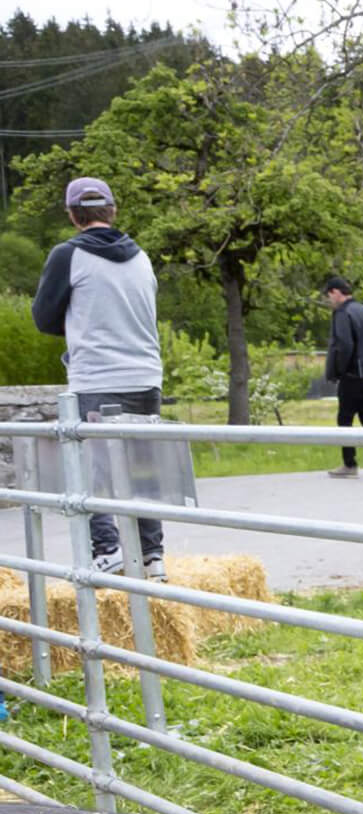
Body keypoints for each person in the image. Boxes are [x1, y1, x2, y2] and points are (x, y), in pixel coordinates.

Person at [31, 176, 167, 580]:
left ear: (73, 215)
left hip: (97, 376)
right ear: (113, 210)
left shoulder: (67, 255)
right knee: (145, 469)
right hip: (146, 375)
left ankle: (107, 550)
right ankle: (151, 555)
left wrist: (77, 324)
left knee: (93, 469)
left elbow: (43, 317)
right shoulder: (141, 256)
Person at [323, 275, 363, 479]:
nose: (329, 300)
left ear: (336, 292)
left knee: (344, 419)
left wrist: (338, 371)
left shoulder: (342, 313)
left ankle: (349, 464)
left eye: (329, 295)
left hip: (353, 374)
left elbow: (344, 345)